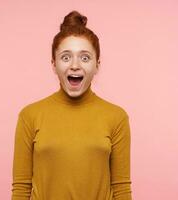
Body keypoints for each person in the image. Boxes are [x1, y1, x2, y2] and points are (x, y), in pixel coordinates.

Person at [11, 10, 132, 200]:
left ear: (97, 65)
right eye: (66, 57)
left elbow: (122, 189)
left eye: (85, 58)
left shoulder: (116, 117)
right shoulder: (29, 116)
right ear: (53, 64)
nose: (75, 65)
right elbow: (21, 188)